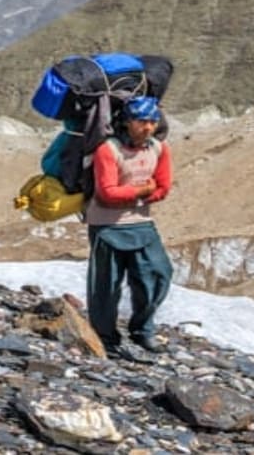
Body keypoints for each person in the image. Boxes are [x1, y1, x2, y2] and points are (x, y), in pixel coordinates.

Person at [85, 96, 174, 359]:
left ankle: (142, 329)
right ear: (127, 122)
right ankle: (105, 336)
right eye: (141, 121)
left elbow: (164, 187)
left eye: (152, 121)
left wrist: (137, 194)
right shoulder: (108, 150)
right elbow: (107, 194)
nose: (147, 127)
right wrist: (144, 190)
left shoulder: (158, 148)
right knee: (106, 286)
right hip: (107, 225)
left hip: (141, 222)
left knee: (158, 274)